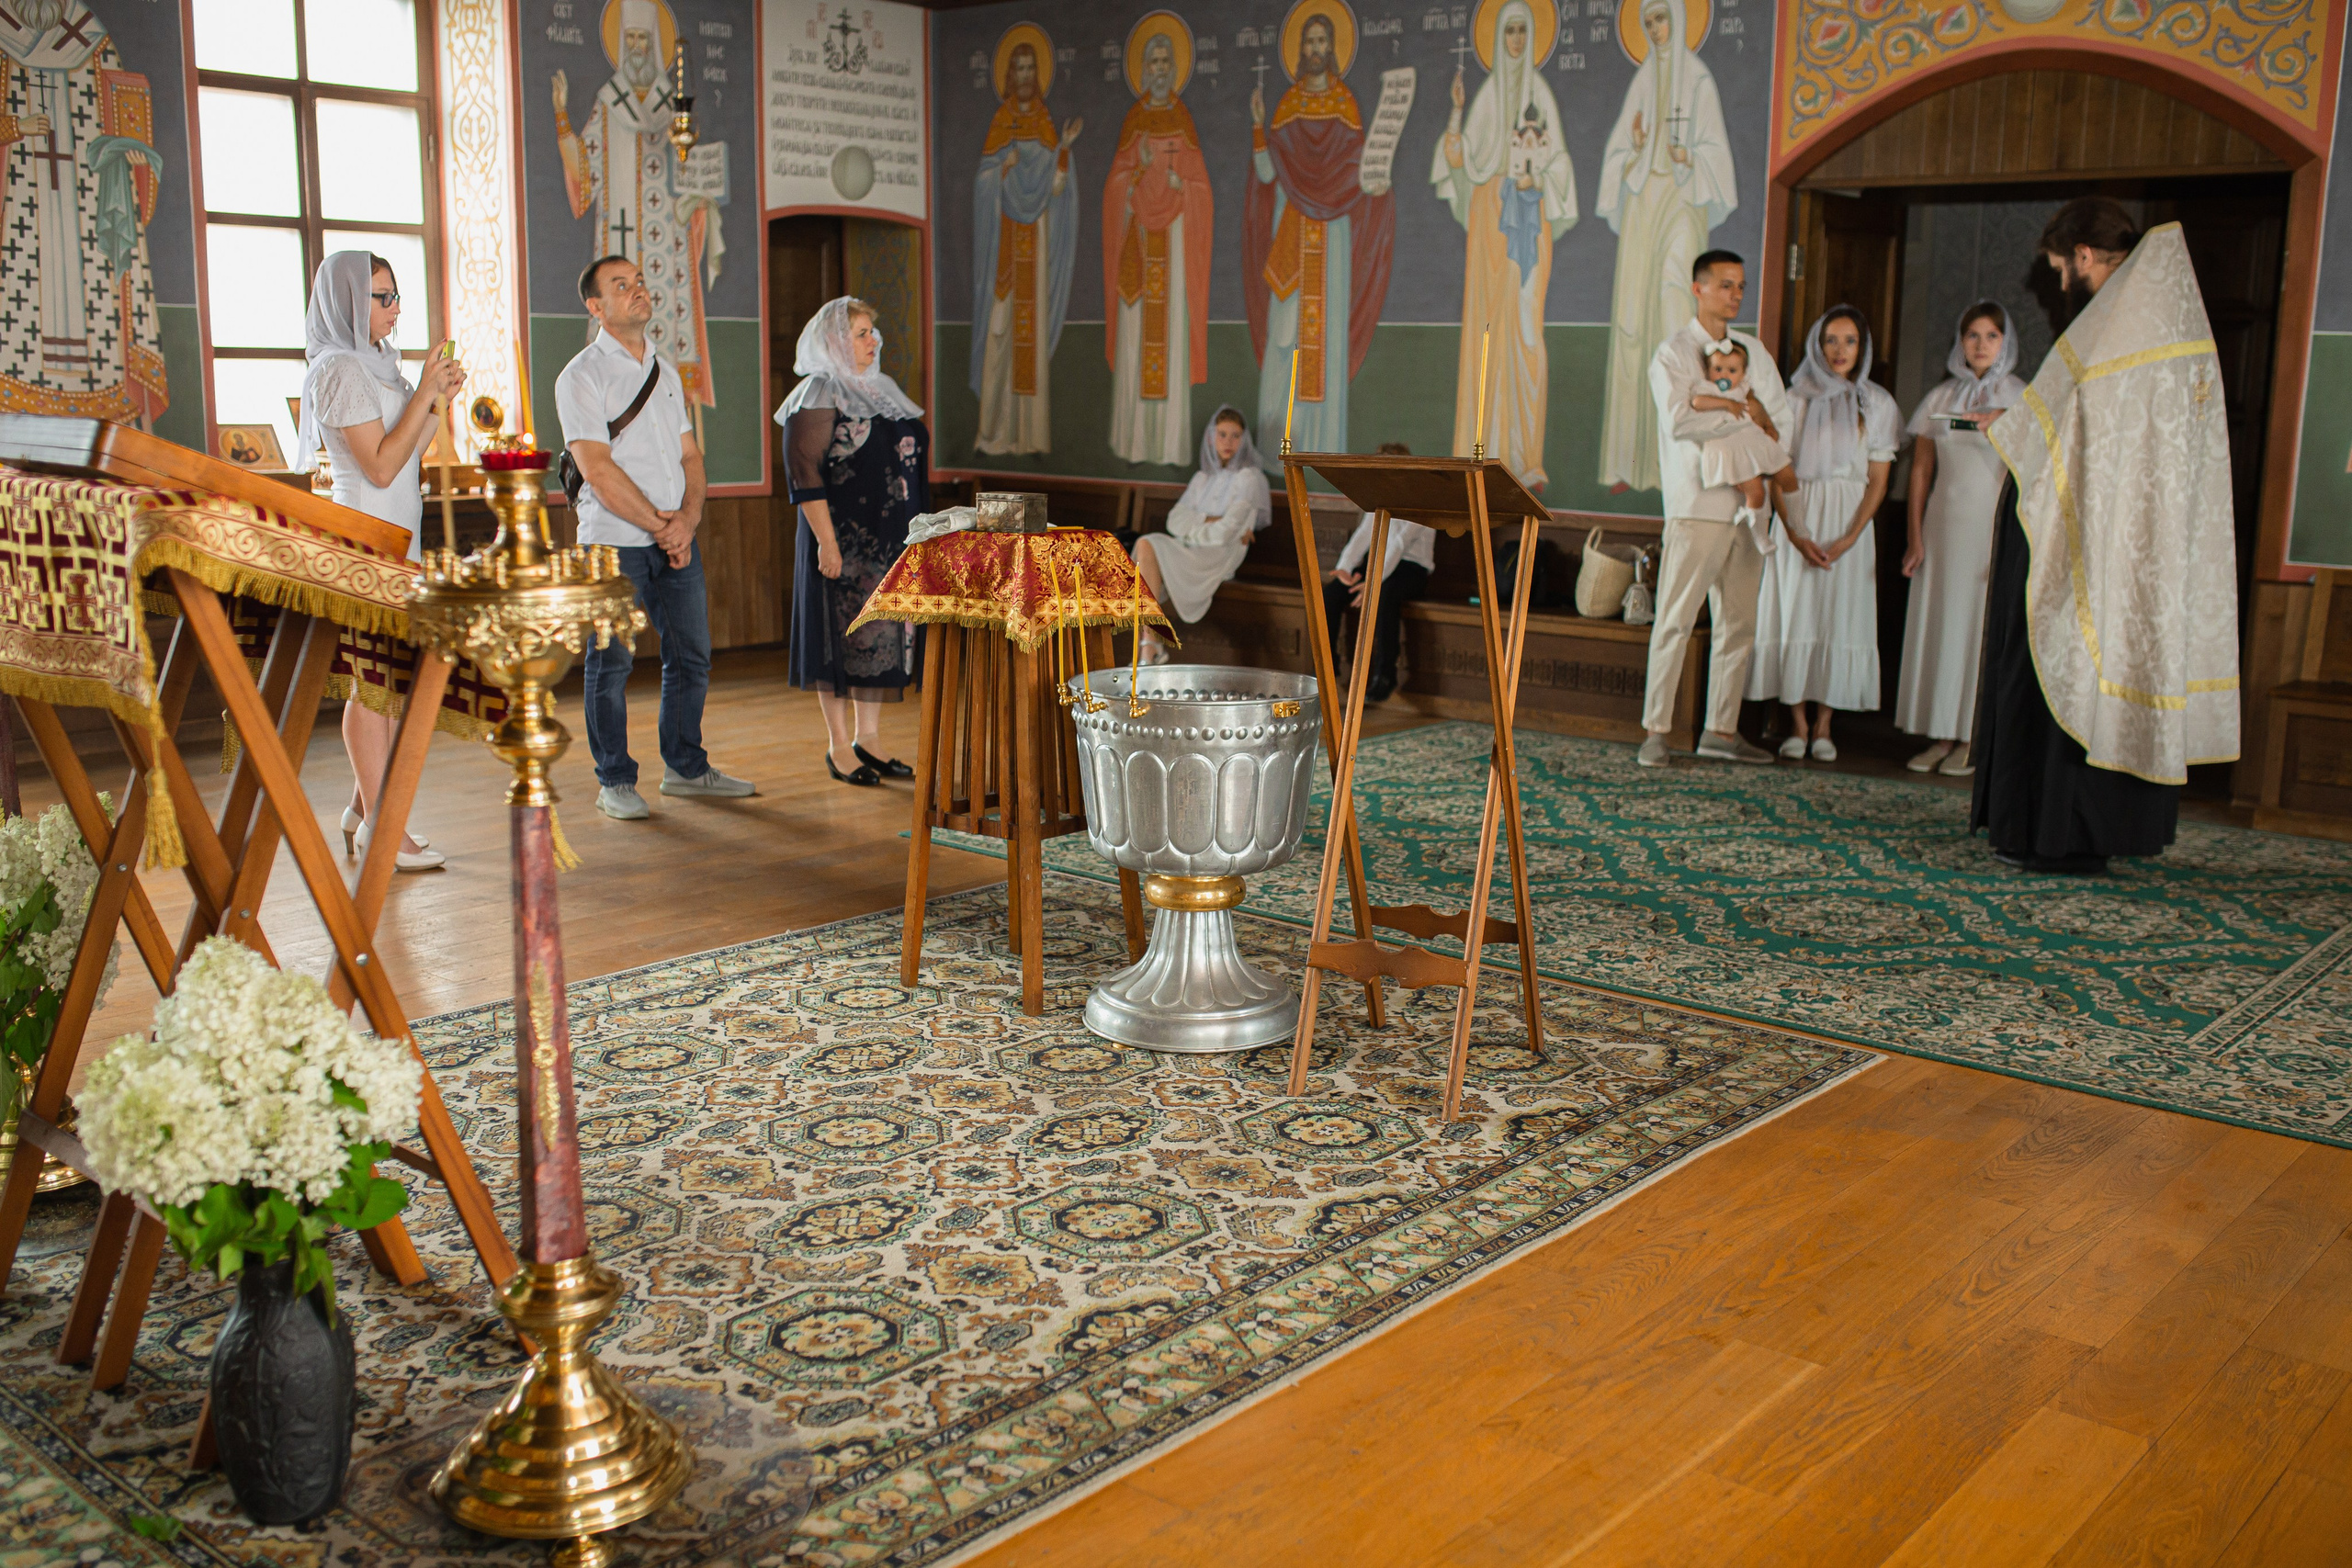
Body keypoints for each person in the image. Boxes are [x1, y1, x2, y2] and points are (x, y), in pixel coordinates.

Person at [1973, 201, 2238, 872]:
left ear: (2084, 257)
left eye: (2062, 267)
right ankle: (2105, 830)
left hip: (2080, 538)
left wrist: (2008, 426)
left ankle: (2049, 833)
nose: (2064, 280)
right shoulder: (2178, 323)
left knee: (2052, 659)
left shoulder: (2111, 326)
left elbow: (2064, 422)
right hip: (2138, 545)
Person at [558, 255, 754, 819]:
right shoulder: (581, 376)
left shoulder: (666, 370)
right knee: (611, 661)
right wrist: (664, 526)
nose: (638, 290)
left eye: (640, 281)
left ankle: (686, 768)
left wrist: (686, 521)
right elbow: (596, 468)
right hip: (613, 541)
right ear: (596, 307)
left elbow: (691, 456)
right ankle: (614, 780)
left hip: (674, 538)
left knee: (691, 653)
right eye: (622, 286)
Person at [299, 250, 463, 873]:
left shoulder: (378, 363)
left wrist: (435, 399)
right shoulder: (339, 370)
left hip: (400, 536)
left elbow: (411, 452)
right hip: (363, 541)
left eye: (396, 296)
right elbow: (379, 466)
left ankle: (362, 811)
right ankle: (384, 828)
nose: (395, 308)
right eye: (382, 297)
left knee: (388, 682)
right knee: (373, 686)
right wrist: (423, 388)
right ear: (346, 301)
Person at [1637, 250, 1791, 769]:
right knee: (1676, 619)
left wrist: (1757, 435)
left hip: (1750, 507)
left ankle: (1721, 730)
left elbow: (1781, 417)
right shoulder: (1673, 353)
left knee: (1739, 623)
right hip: (1697, 500)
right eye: (1726, 285)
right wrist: (1742, 423)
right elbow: (1680, 421)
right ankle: (1657, 730)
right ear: (1698, 288)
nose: (1736, 295)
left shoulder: (1753, 350)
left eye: (1741, 286)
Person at [775, 297, 930, 786]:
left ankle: (871, 739)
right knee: (840, 641)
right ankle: (839, 746)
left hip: (891, 540)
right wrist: (827, 544)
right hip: (843, 540)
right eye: (862, 333)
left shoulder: (880, 389)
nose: (873, 341)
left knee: (881, 639)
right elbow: (805, 474)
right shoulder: (819, 392)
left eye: (873, 332)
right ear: (834, 341)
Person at [1430, 0, 1575, 487]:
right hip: (1487, 221)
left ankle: (1524, 453)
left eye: (1521, 31)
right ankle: (1483, 446)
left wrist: (1538, 184)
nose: (1514, 39)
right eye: (1508, 31)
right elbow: (1461, 162)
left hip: (1529, 223)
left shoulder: (1545, 96)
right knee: (1486, 329)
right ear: (1497, 39)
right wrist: (1455, 113)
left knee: (1525, 326)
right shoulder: (1487, 97)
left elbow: (1560, 167)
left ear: (1531, 37)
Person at [1243, 3, 1396, 459]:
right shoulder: (1287, 106)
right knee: (1285, 332)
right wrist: (1256, 125)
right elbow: (1269, 174)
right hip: (1290, 229)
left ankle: (1324, 447)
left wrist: (1377, 178)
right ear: (1300, 49)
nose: (1315, 49)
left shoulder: (1345, 104)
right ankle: (1277, 448)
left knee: (1324, 335)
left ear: (1332, 49)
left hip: (1331, 237)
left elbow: (1361, 173)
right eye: (1308, 41)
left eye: (1322, 41)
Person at [1595, 0, 1735, 493]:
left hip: (1682, 202)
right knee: (1632, 321)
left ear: (1678, 21)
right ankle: (1628, 463)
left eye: (1662, 19)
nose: (1655, 29)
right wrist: (1634, 152)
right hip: (1642, 203)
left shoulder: (1697, 79)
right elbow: (1617, 153)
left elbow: (1716, 156)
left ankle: (1672, 463)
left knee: (1675, 309)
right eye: (1648, 21)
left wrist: (1687, 157)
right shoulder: (1641, 82)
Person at [1749, 306, 1899, 761]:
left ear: (1863, 347)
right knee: (1796, 612)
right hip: (1800, 515)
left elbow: (1878, 480)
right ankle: (1795, 722)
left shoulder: (1878, 403)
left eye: (1850, 341)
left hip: (1848, 523)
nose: (1839, 351)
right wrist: (1795, 531)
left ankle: (1825, 725)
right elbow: (1778, 470)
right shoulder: (1794, 400)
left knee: (1840, 615)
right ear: (1817, 344)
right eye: (1831, 340)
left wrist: (1851, 536)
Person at [1896, 302, 2024, 776]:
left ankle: (1973, 738)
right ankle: (1940, 734)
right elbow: (1921, 472)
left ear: (2005, 342)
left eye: (1991, 336)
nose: (1980, 345)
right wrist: (1914, 536)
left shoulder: (2022, 398)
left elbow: (2033, 471)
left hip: (1991, 528)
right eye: (1972, 335)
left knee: (1977, 628)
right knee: (1942, 626)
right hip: (1942, 526)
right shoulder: (1939, 398)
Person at [1102, 18, 1211, 466]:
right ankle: (1132, 442)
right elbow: (1113, 190)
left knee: (1170, 350)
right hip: (1138, 256)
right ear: (1143, 70)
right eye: (1154, 61)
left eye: (1168, 60)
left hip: (1175, 251)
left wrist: (1179, 185)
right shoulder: (1134, 124)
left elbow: (1202, 190)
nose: (1161, 68)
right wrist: (1132, 177)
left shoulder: (1183, 125)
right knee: (1135, 350)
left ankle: (1168, 445)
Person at [972, 28, 1080, 456]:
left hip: (1033, 248)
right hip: (1004, 248)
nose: (1023, 74)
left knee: (1028, 343)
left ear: (1038, 74)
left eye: (1030, 67)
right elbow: (983, 183)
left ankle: (1028, 435)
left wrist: (1065, 149)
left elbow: (1055, 189)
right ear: (1008, 75)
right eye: (1017, 67)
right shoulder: (1001, 123)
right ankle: (993, 432)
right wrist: (1001, 170)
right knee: (998, 336)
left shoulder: (1045, 123)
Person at [1134, 406, 1271, 663]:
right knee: (1145, 544)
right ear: (1211, 437)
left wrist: (1194, 528)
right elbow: (1174, 521)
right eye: (1222, 434)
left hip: (1221, 554)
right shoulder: (1202, 479)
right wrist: (1210, 519)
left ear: (1244, 440)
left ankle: (1150, 647)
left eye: (1235, 435)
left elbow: (1226, 533)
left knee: (1148, 546)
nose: (1228, 442)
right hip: (1191, 547)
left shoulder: (1249, 479)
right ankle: (1149, 644)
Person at [1324, 440, 1434, 702]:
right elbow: (1363, 535)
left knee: (1385, 595)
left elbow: (1398, 545)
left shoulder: (1420, 500)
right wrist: (1344, 568)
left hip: (1412, 569)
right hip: (1381, 565)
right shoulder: (1377, 497)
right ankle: (1327, 668)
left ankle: (1385, 675)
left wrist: (1373, 583)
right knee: (1331, 594)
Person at [1672, 340, 1793, 516]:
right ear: (1708, 370)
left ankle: (1771, 525)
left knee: (1775, 482)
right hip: (1728, 447)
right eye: (1718, 369)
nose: (1724, 376)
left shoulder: (1744, 389)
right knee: (1755, 491)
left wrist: (1768, 425)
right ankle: (1753, 524)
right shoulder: (1709, 388)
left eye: (1732, 371)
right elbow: (1698, 402)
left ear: (1743, 374)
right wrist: (1727, 403)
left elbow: (1758, 408)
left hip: (1749, 442)